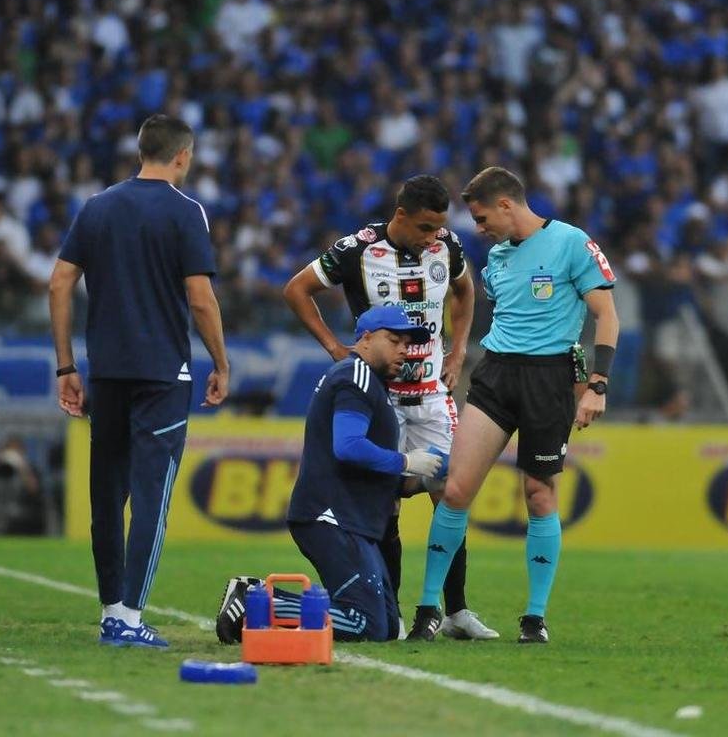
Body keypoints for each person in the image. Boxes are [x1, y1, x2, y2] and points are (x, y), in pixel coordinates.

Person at [406, 167, 620, 645]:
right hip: (497, 373)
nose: (479, 230)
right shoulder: (496, 259)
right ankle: (427, 609)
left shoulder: (571, 243)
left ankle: (534, 617)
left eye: (482, 219)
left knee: (539, 495)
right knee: (457, 489)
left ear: (506, 205)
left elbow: (606, 315)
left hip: (549, 380)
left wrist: (597, 385)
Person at [282, 174, 497, 639]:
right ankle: (393, 613)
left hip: (433, 397)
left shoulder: (448, 246)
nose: (431, 238)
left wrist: (459, 351)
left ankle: (454, 611)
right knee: (385, 506)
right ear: (400, 216)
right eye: (424, 228)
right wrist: (335, 348)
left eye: (438, 228)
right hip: (383, 399)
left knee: (452, 497)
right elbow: (296, 289)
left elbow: (466, 292)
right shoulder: (356, 249)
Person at [50, 114, 230, 649]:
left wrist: (66, 367)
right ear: (183, 157)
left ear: (140, 151)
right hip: (162, 374)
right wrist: (220, 362)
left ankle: (111, 609)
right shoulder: (184, 211)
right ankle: (128, 615)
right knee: (151, 494)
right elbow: (200, 297)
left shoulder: (98, 206)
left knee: (106, 493)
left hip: (106, 371)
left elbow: (60, 283)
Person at [214, 307, 448, 643]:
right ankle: (254, 601)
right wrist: (407, 461)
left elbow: (366, 465)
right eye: (394, 340)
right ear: (365, 339)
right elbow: (349, 446)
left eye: (408, 344)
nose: (404, 350)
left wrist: (424, 478)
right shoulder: (357, 375)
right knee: (365, 624)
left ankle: (268, 603)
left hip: (347, 518)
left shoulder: (365, 381)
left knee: (384, 626)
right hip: (334, 516)